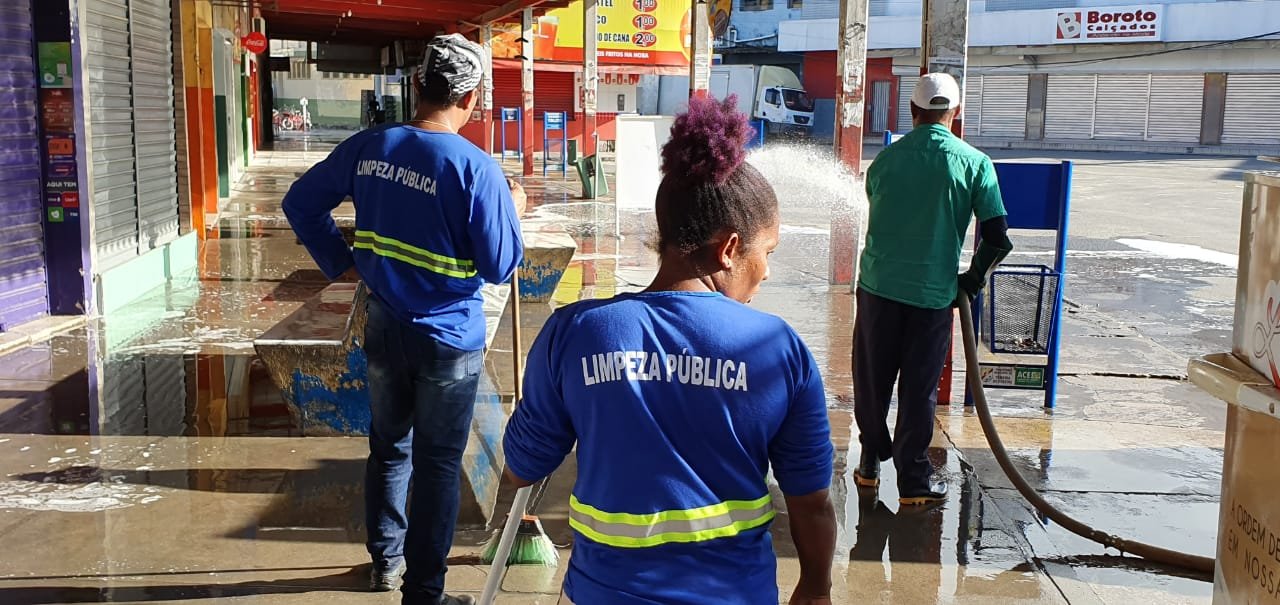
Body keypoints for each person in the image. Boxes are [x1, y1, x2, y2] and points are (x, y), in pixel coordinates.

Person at [501, 96, 838, 605]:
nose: (766, 272)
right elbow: (811, 503)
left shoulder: (575, 333)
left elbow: (522, 468)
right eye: (766, 253)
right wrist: (815, 586)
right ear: (728, 249)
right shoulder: (778, 349)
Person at [282, 34, 525, 605]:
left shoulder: (372, 145)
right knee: (439, 463)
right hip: (448, 341)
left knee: (389, 448)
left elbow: (301, 202)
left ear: (418, 86)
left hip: (385, 326)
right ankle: (424, 592)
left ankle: (384, 565)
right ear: (470, 95)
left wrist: (344, 266)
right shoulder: (476, 169)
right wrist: (509, 207)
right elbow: (500, 266)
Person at [853, 72, 1012, 505]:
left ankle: (870, 462)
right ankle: (913, 483)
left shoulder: (886, 160)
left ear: (912, 111)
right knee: (918, 390)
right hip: (932, 297)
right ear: (955, 114)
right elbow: (998, 238)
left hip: (877, 290)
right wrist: (971, 280)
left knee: (872, 380)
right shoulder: (975, 164)